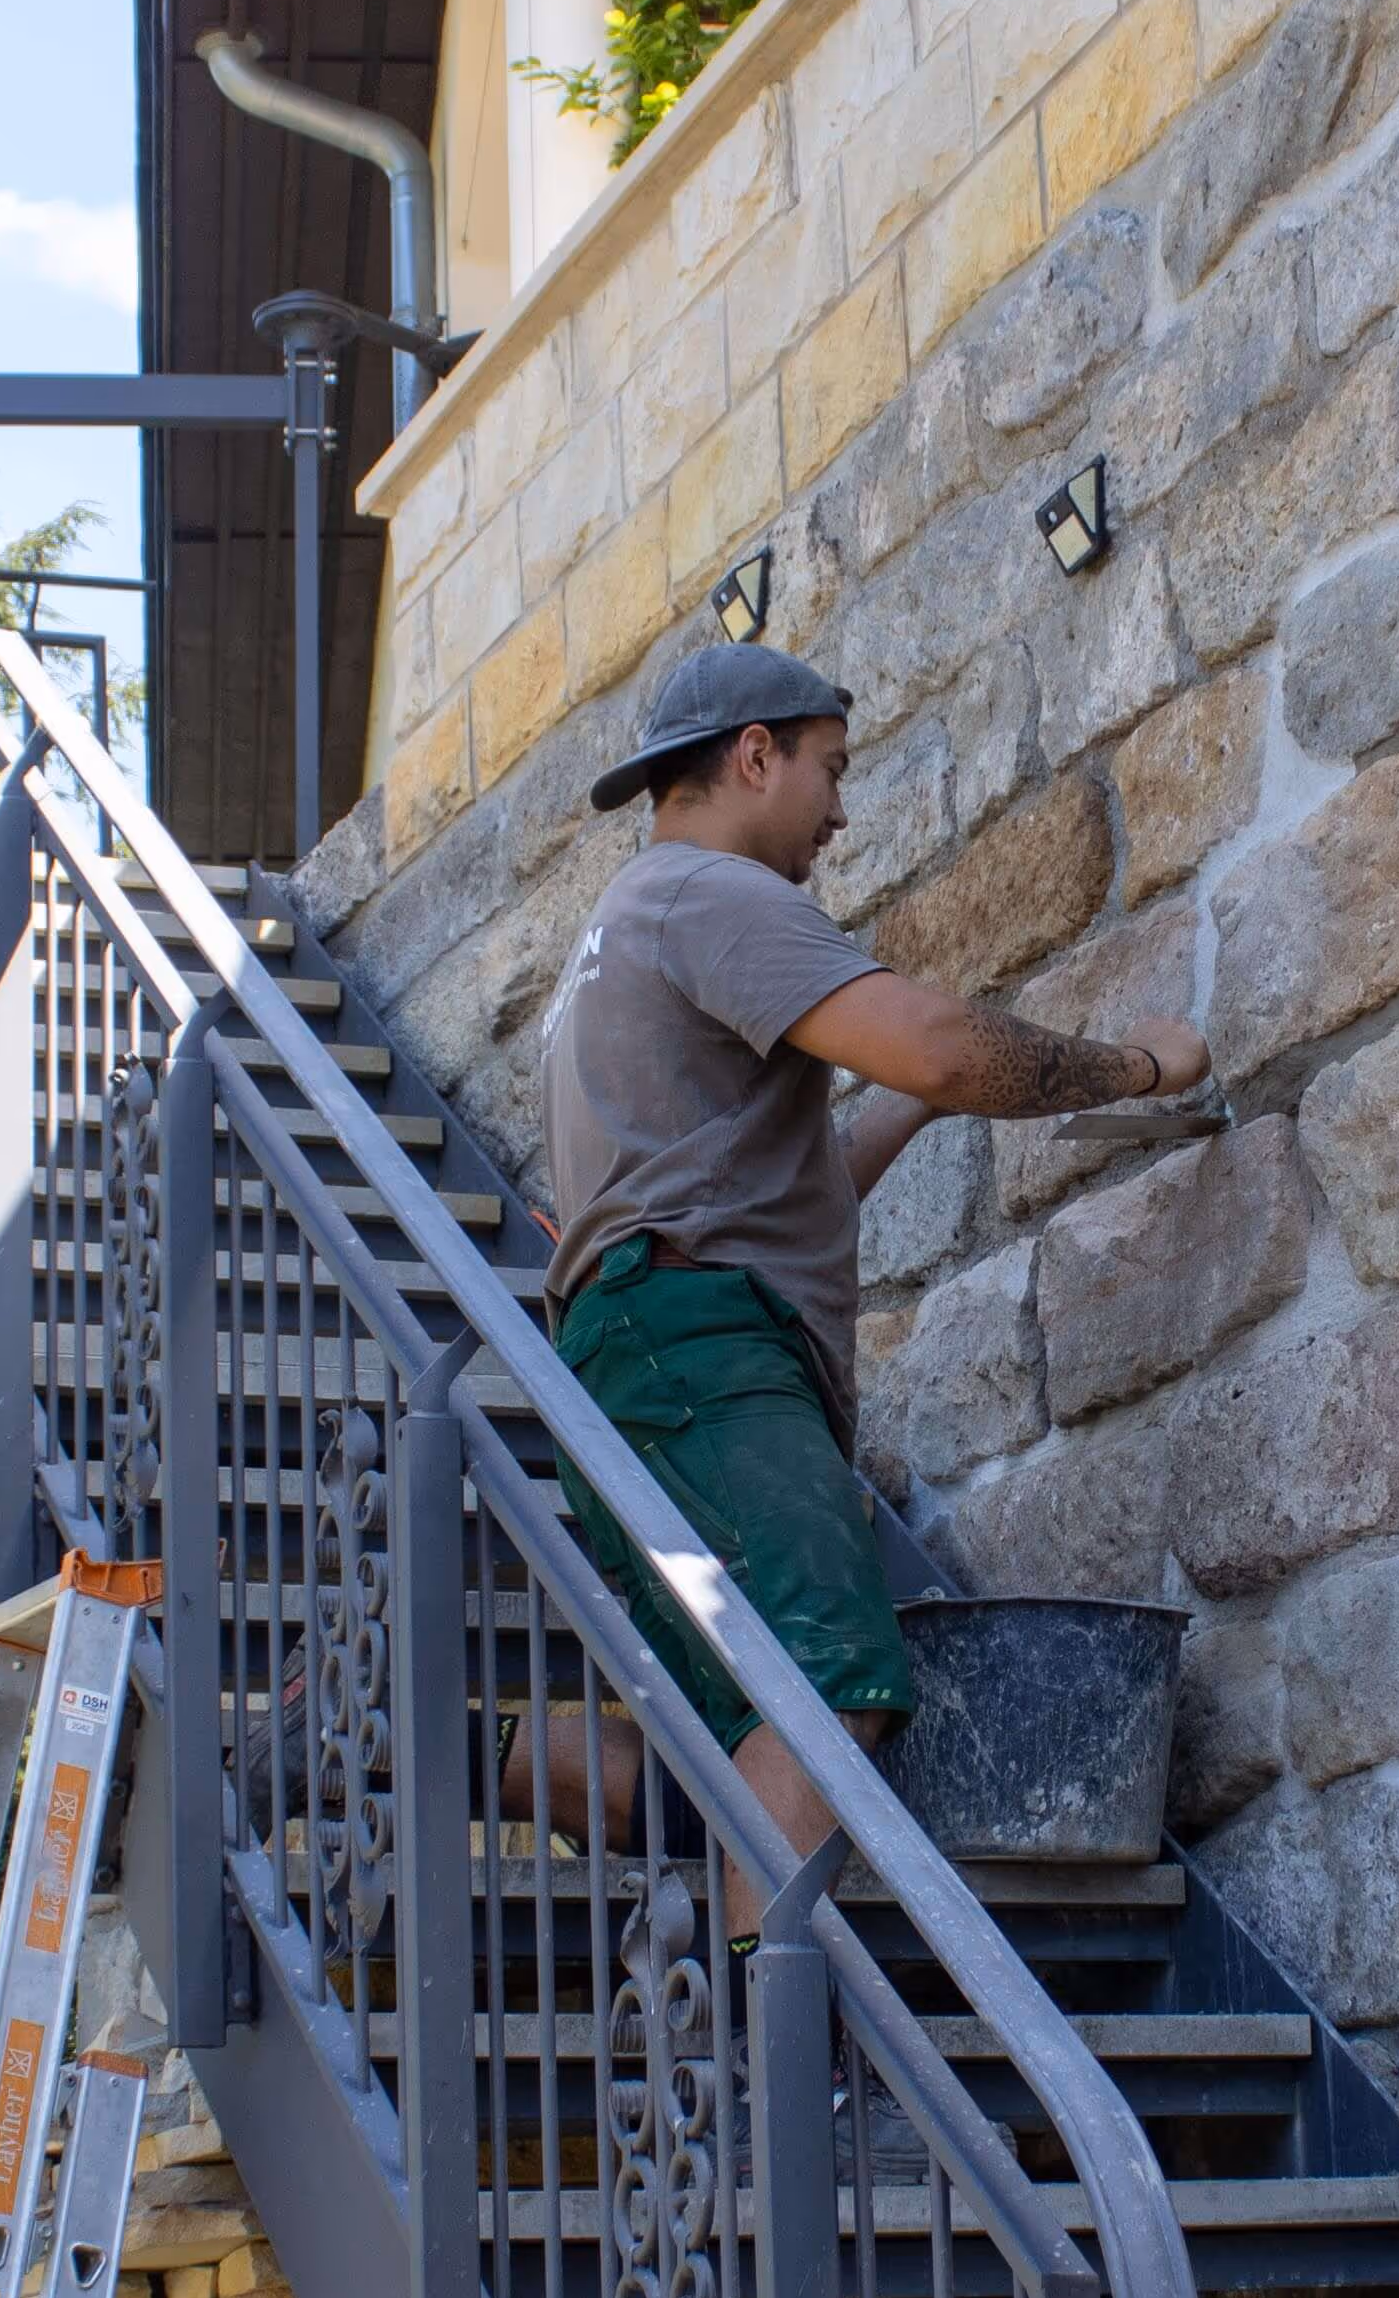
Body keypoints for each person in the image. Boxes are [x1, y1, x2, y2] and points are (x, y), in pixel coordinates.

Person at [515, 627, 1206, 1913]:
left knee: (739, 1746)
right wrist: (1139, 1067)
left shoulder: (621, 937)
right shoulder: (709, 895)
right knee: (832, 1686)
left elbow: (764, 1179)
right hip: (704, 1357)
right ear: (755, 754)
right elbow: (939, 1045)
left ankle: (458, 1751)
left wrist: (914, 1110)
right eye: (831, 768)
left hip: (650, 1361)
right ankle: (764, 2083)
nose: (842, 808)